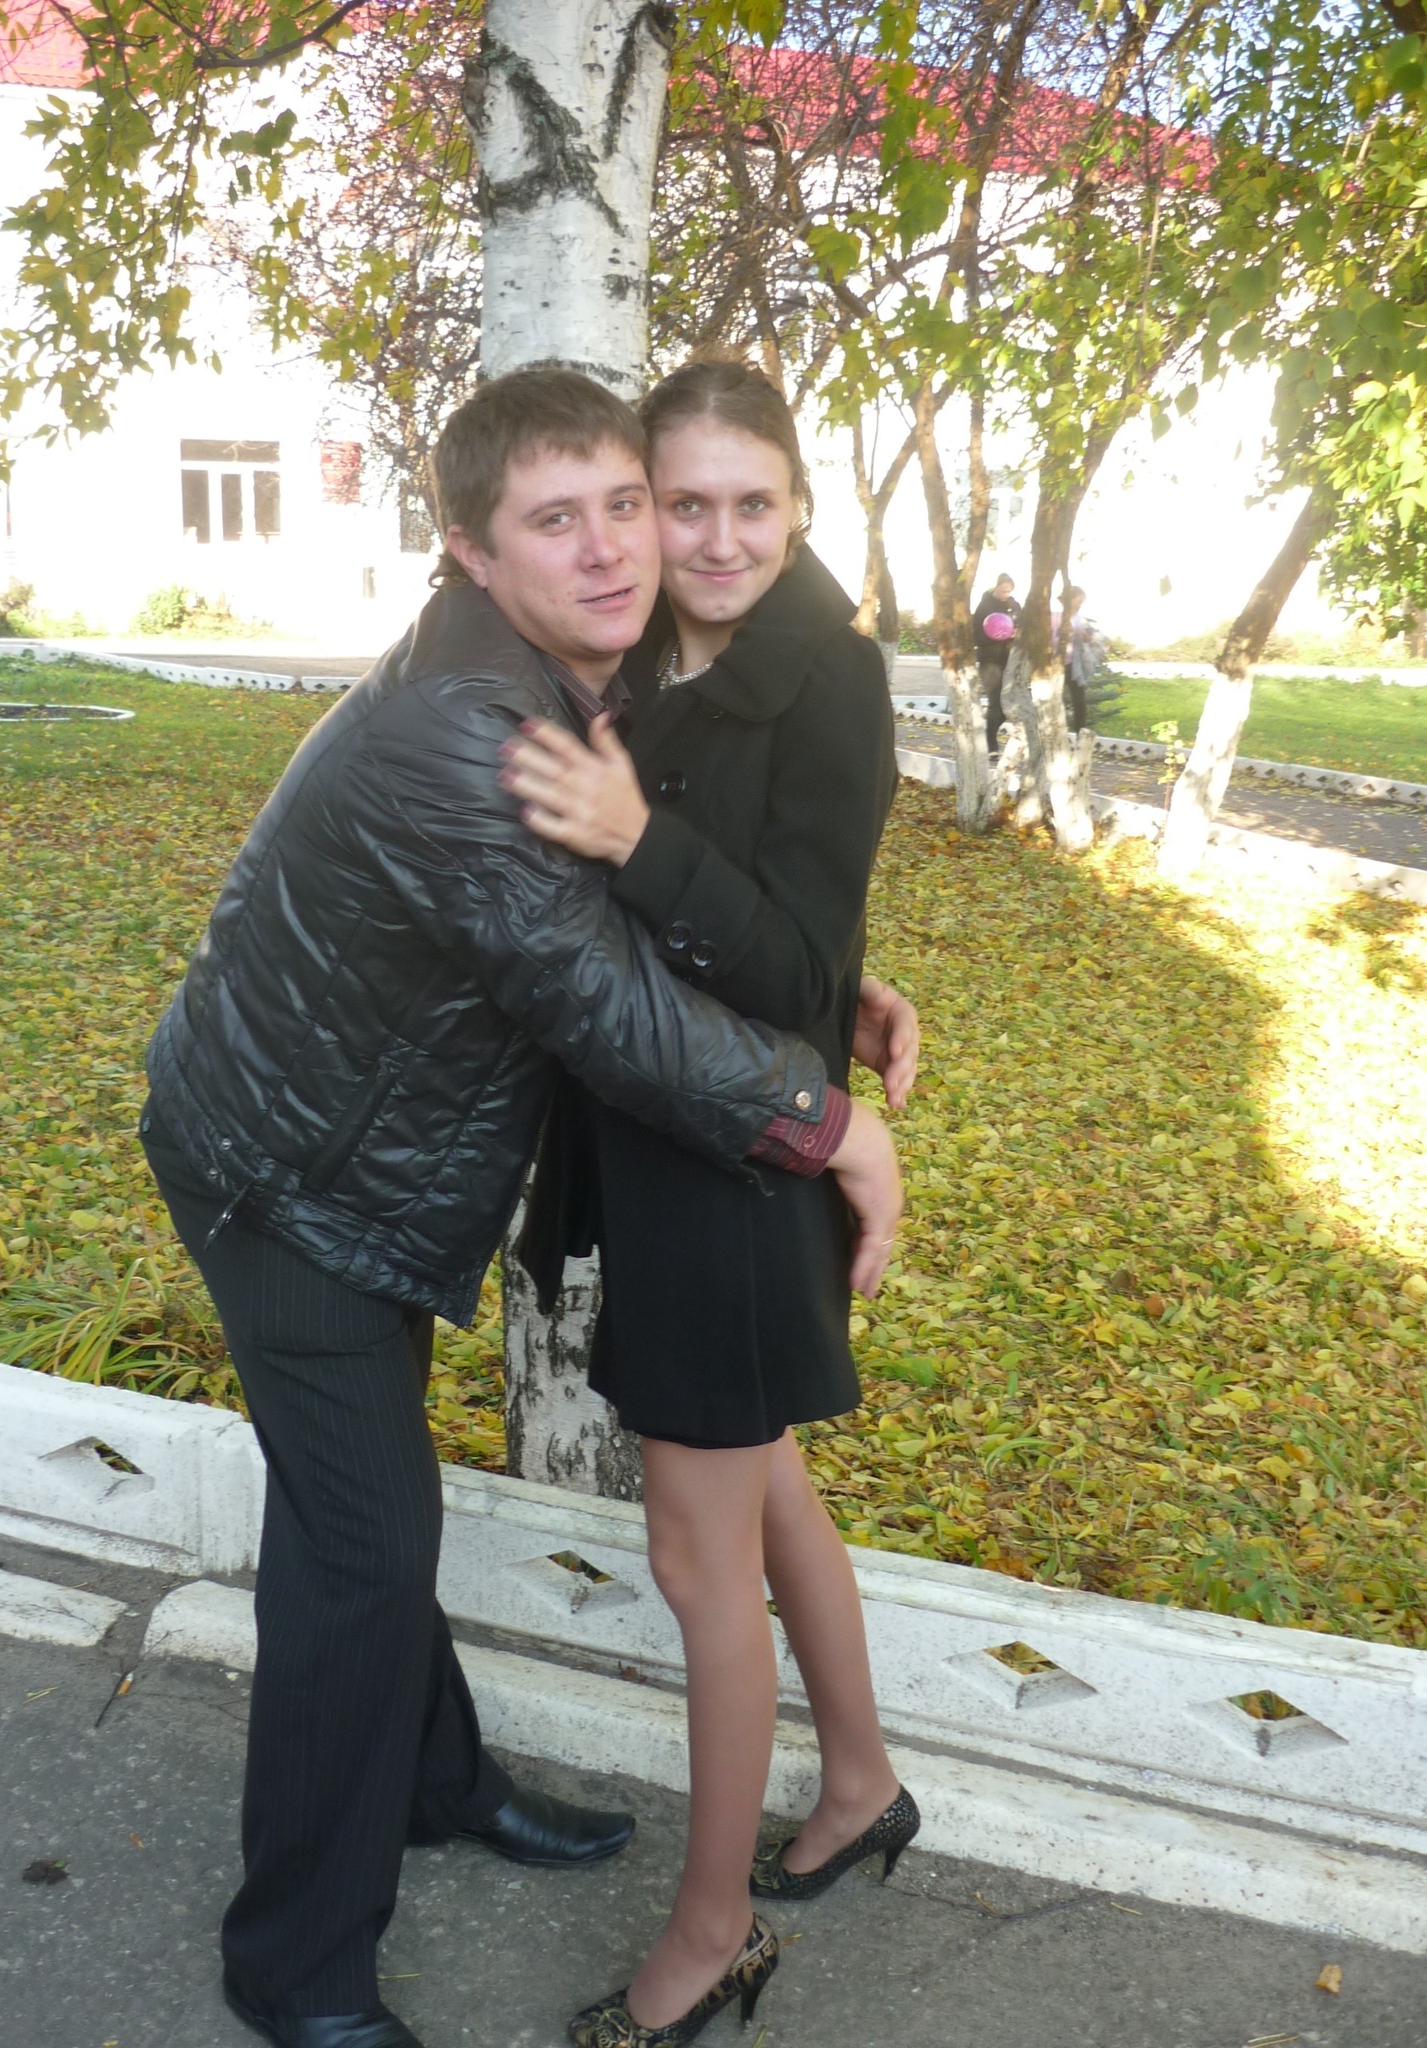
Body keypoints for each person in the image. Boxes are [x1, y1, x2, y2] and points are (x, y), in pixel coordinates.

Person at [138, 366, 907, 2048]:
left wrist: (828, 988)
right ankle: (296, 1965)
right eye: (560, 520)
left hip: (353, 1153)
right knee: (360, 1549)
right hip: (293, 1178)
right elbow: (592, 993)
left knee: (366, 1514)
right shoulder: (468, 730)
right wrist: (829, 1122)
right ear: (473, 554)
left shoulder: (565, 672)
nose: (617, 547)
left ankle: (433, 1779)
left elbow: (662, 888)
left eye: (625, 504)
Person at [501, 361, 920, 2048]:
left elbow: (783, 948)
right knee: (769, 1494)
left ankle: (711, 1931)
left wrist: (635, 839)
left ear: (803, 507)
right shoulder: (657, 658)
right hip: (673, 1137)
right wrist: (844, 976)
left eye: (755, 503)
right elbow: (790, 924)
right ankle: (862, 1779)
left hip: (741, 1163)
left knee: (697, 1555)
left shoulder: (829, 674)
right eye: (686, 504)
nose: (720, 537)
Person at [971, 572, 1022, 755]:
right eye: (1002, 591)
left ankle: (988, 734)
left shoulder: (1014, 606)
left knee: (1008, 704)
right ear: (996, 587)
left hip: (1009, 659)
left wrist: (1016, 633)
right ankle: (991, 745)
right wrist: (996, 635)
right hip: (989, 659)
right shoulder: (985, 606)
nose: (1005, 594)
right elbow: (976, 636)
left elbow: (1021, 627)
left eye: (1008, 591)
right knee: (995, 701)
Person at [1059, 584, 1102, 734]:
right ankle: (1057, 732)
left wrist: (1086, 637)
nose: (1080, 605)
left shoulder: (1079, 620)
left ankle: (1080, 733)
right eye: (1078, 602)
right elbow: (1055, 638)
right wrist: (1073, 633)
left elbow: (1087, 640)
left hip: (1074, 664)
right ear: (1070, 600)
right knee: (1057, 700)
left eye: (1082, 603)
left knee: (1079, 701)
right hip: (1057, 665)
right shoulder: (1057, 617)